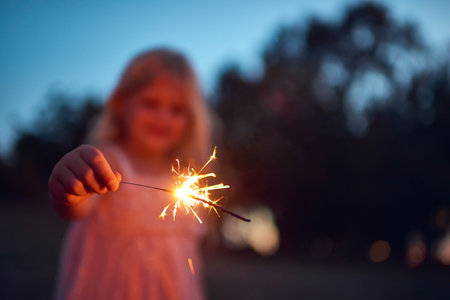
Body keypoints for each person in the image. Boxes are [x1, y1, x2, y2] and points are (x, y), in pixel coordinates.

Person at [48, 48, 211, 300]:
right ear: (121, 104)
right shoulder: (108, 162)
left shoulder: (184, 175)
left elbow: (189, 263)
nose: (162, 117)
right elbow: (79, 207)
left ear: (190, 119)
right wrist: (72, 192)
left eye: (176, 109)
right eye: (150, 103)